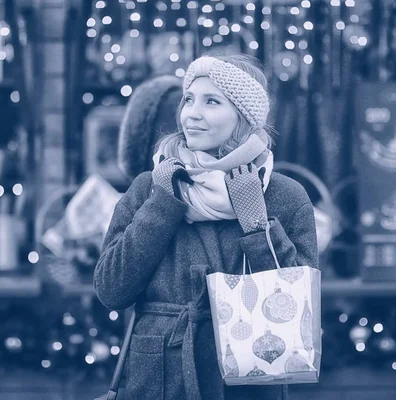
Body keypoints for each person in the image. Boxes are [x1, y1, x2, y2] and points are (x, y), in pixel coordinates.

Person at [94, 53, 318, 400]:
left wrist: (256, 223)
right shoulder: (151, 185)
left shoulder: (283, 195)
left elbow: (296, 309)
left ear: (243, 117)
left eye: (211, 101)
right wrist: (164, 204)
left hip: (244, 383)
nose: (191, 114)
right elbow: (111, 290)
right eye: (189, 99)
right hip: (158, 381)